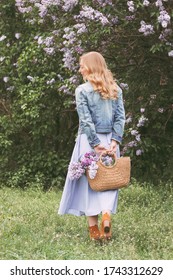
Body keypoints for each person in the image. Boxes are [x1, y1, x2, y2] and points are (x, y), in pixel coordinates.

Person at [58, 51, 125, 241]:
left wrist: (95, 145)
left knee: (88, 184)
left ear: (91, 66)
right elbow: (120, 118)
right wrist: (114, 141)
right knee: (109, 181)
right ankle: (106, 214)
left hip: (89, 142)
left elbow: (86, 121)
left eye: (82, 65)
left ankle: (94, 231)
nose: (80, 70)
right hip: (110, 142)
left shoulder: (82, 90)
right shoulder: (116, 89)